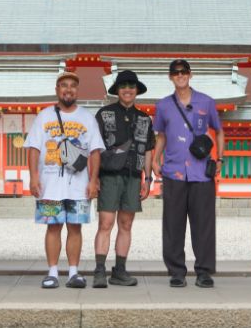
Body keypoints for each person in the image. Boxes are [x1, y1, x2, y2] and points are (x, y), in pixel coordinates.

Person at [26, 71, 105, 289]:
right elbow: (33, 148)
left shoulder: (86, 118)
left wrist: (93, 181)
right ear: (57, 90)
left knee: (75, 227)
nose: (68, 89)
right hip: (49, 183)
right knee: (52, 227)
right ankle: (52, 272)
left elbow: (95, 151)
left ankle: (73, 272)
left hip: (79, 184)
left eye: (72, 86)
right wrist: (33, 177)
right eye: (63, 85)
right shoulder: (44, 116)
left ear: (77, 90)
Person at [152, 59, 224, 288]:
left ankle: (203, 271)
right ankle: (176, 272)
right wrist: (155, 158)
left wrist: (220, 157)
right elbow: (161, 135)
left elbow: (219, 131)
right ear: (170, 77)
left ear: (190, 75)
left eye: (184, 72)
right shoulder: (163, 105)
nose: (180, 76)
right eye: (176, 73)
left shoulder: (207, 102)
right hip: (174, 170)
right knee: (173, 224)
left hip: (201, 171)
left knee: (203, 224)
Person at [92, 70, 154, 289]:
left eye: (131, 86)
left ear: (137, 90)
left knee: (126, 224)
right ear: (117, 90)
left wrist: (148, 180)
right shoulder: (104, 114)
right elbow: (95, 148)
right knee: (106, 223)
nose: (127, 89)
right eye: (123, 86)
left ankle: (120, 270)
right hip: (108, 176)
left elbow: (148, 151)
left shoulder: (145, 119)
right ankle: (99, 270)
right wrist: (94, 177)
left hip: (133, 176)